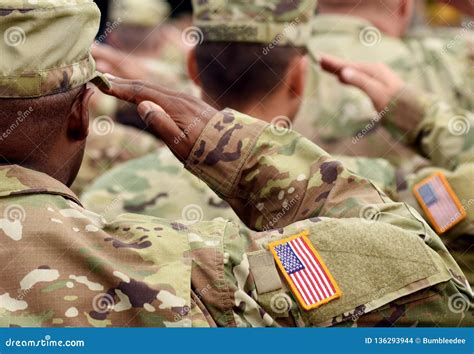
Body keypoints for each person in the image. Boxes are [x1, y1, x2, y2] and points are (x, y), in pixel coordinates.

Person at [0, 0, 471, 328]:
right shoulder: (184, 275)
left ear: (192, 68)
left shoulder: (114, 188)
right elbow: (432, 292)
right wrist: (239, 154)